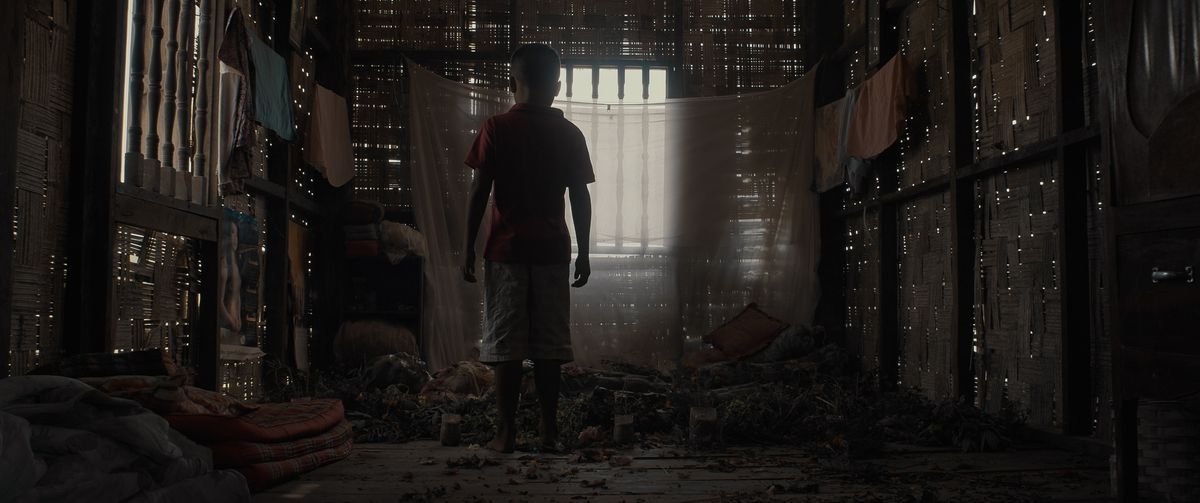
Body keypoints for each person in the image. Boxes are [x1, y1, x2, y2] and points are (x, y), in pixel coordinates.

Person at [461, 43, 595, 454]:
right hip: (553, 251)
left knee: (507, 345)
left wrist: (468, 247)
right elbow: (580, 198)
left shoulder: (496, 128)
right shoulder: (569, 133)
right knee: (550, 348)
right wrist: (584, 252)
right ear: (557, 86)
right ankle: (549, 433)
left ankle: (505, 434)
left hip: (506, 252)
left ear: (511, 83)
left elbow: (479, 191)